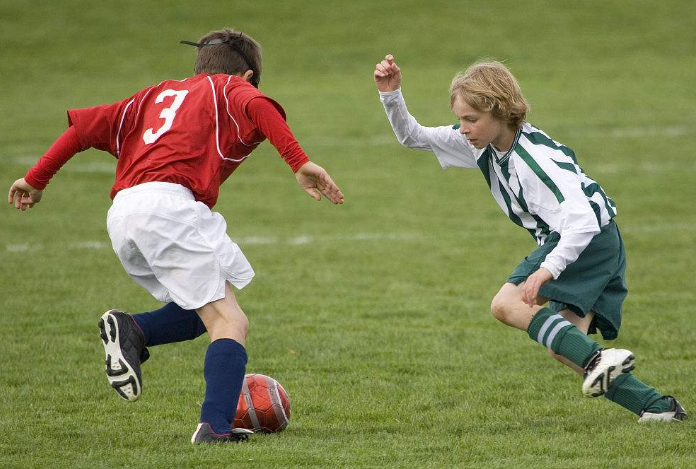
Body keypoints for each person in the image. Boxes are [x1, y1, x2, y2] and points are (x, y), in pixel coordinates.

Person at [8, 28, 345, 444]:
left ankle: (134, 330)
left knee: (198, 311)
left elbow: (81, 130)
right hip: (170, 206)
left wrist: (36, 179)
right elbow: (256, 105)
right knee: (230, 321)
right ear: (246, 74)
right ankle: (214, 426)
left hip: (124, 212)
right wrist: (299, 162)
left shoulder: (149, 97)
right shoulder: (229, 88)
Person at [373, 54, 686, 422]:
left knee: (506, 304)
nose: (462, 129)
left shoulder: (533, 160)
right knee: (566, 345)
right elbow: (415, 137)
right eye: (461, 119)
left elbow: (583, 220)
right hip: (589, 240)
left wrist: (547, 268)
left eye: (470, 119)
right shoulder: (483, 144)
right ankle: (658, 409)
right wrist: (391, 95)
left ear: (500, 111)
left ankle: (601, 360)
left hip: (587, 240)